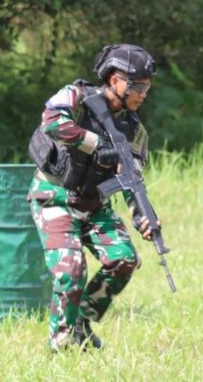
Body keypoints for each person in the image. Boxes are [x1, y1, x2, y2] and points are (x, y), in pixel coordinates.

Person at [27, 43, 162, 352]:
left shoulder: (134, 131)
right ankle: (61, 348)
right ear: (114, 79)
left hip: (94, 204)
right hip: (55, 197)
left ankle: (81, 321)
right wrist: (96, 144)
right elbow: (51, 121)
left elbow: (132, 179)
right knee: (70, 270)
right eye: (137, 85)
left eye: (147, 87)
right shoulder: (77, 97)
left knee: (124, 260)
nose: (143, 93)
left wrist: (142, 214)